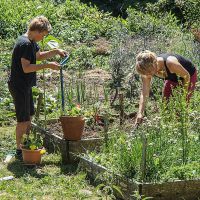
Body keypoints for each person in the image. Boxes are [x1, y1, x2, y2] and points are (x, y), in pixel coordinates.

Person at [8, 16, 67, 160]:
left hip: (25, 85)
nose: (44, 37)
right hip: (19, 85)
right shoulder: (25, 44)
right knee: (23, 120)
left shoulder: (31, 42)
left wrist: (55, 51)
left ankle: (26, 144)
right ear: (37, 31)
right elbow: (27, 68)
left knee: (29, 117)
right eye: (44, 34)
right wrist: (48, 65)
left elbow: (38, 56)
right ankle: (19, 150)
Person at [134, 50, 198, 125]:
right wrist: (139, 113)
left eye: (149, 72)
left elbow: (186, 76)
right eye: (146, 73)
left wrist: (183, 96)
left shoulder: (170, 63)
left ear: (154, 63)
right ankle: (168, 126)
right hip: (171, 78)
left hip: (188, 76)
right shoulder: (145, 71)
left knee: (181, 108)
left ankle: (184, 127)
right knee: (165, 106)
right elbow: (144, 93)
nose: (148, 75)